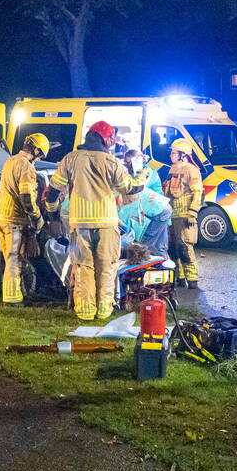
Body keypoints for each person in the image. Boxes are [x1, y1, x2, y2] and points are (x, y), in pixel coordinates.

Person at [43, 121, 149, 321]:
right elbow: (131, 188)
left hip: (80, 223)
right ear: (106, 139)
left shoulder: (70, 159)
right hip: (106, 223)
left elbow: (53, 190)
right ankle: (104, 310)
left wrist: (52, 213)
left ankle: (85, 311)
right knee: (106, 266)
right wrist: (142, 173)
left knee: (83, 266)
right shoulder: (111, 162)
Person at [0, 133, 50, 306]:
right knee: (14, 260)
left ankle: (18, 293)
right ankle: (12, 300)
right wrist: (37, 218)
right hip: (14, 220)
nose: (38, 159)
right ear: (36, 150)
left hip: (2, 217)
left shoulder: (10, 161)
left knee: (11, 257)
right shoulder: (26, 167)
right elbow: (27, 197)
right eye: (40, 155)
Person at [165, 138, 203, 290]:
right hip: (172, 214)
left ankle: (192, 279)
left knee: (184, 246)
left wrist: (193, 212)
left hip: (185, 214)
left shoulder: (191, 170)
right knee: (173, 247)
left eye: (174, 153)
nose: (171, 155)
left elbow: (198, 192)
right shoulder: (172, 169)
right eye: (172, 152)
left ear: (183, 155)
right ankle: (179, 277)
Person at [117, 185, 171, 257]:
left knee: (144, 248)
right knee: (159, 245)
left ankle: (146, 264)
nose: (129, 203)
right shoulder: (132, 188)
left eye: (131, 201)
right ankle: (164, 264)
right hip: (163, 207)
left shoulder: (126, 193)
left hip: (159, 212)